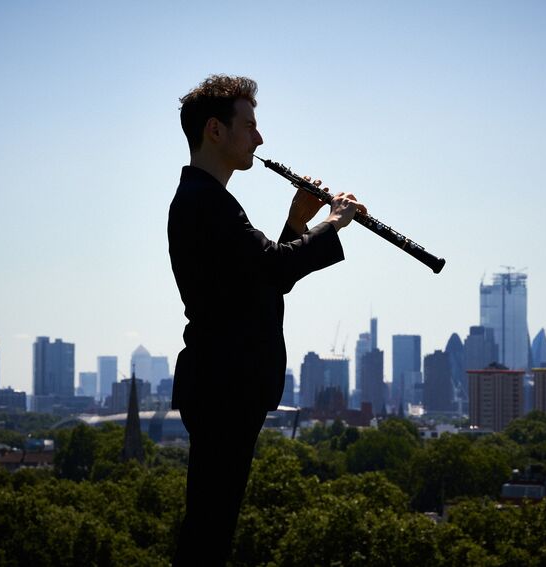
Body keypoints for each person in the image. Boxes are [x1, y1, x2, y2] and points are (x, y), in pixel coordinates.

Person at [168, 75, 365, 565]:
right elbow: (274, 267)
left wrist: (298, 220)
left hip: (222, 386)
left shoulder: (207, 202)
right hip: (223, 387)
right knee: (209, 530)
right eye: (250, 125)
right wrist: (333, 222)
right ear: (215, 129)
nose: (259, 138)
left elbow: (260, 279)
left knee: (212, 525)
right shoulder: (206, 203)